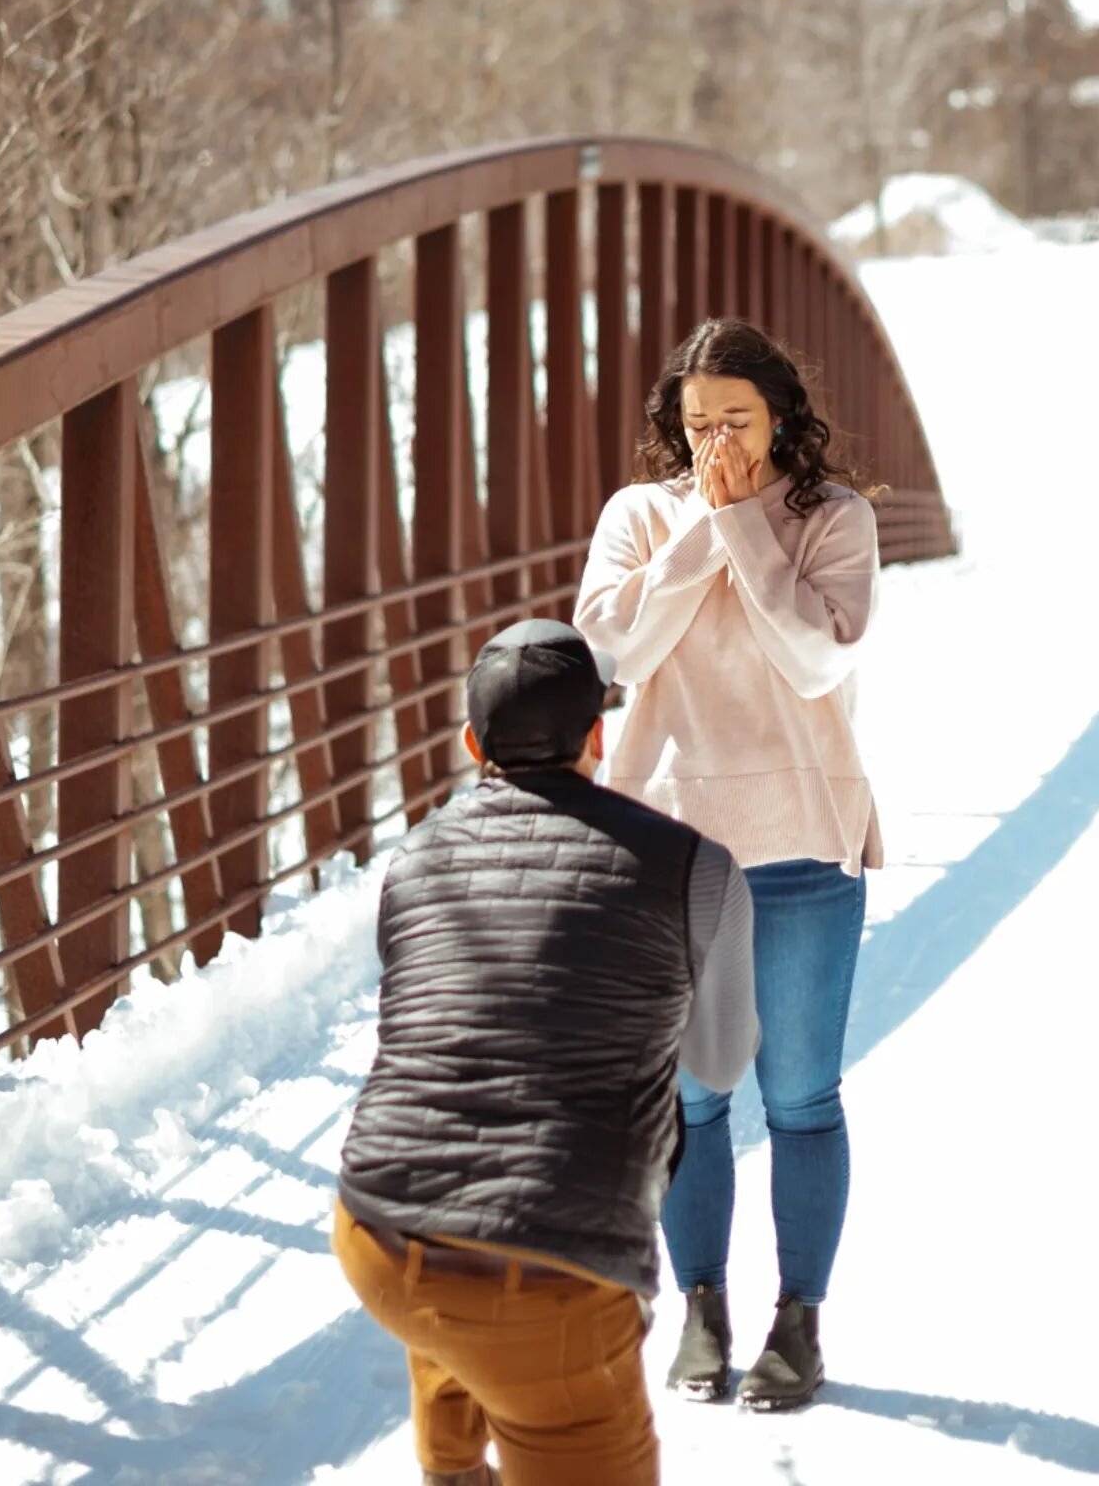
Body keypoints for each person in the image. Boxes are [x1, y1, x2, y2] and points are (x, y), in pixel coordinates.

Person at [332, 618, 758, 1486]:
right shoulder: (696, 867)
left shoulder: (412, 862)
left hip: (377, 1230)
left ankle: (453, 1468)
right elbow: (717, 1064)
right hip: (551, 1273)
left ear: (469, 743)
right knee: (508, 1323)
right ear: (597, 736)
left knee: (454, 1302)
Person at [573, 317, 881, 1412]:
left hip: (800, 843)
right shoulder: (638, 517)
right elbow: (616, 652)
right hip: (671, 848)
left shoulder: (833, 518)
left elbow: (812, 654)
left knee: (798, 1097)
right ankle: (703, 1310)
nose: (715, 442)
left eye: (736, 421)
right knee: (693, 1099)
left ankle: (799, 1320)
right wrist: (706, 524)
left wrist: (745, 524)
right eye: (697, 424)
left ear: (781, 414)